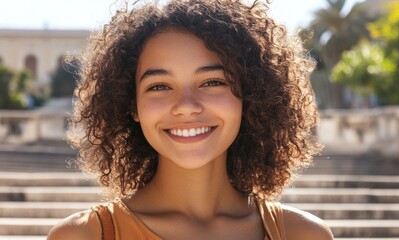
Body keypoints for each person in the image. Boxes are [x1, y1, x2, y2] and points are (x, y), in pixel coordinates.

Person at [47, 0, 334, 239]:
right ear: (132, 105)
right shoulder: (84, 236)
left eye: (211, 82)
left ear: (250, 96)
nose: (186, 106)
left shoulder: (304, 235)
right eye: (159, 86)